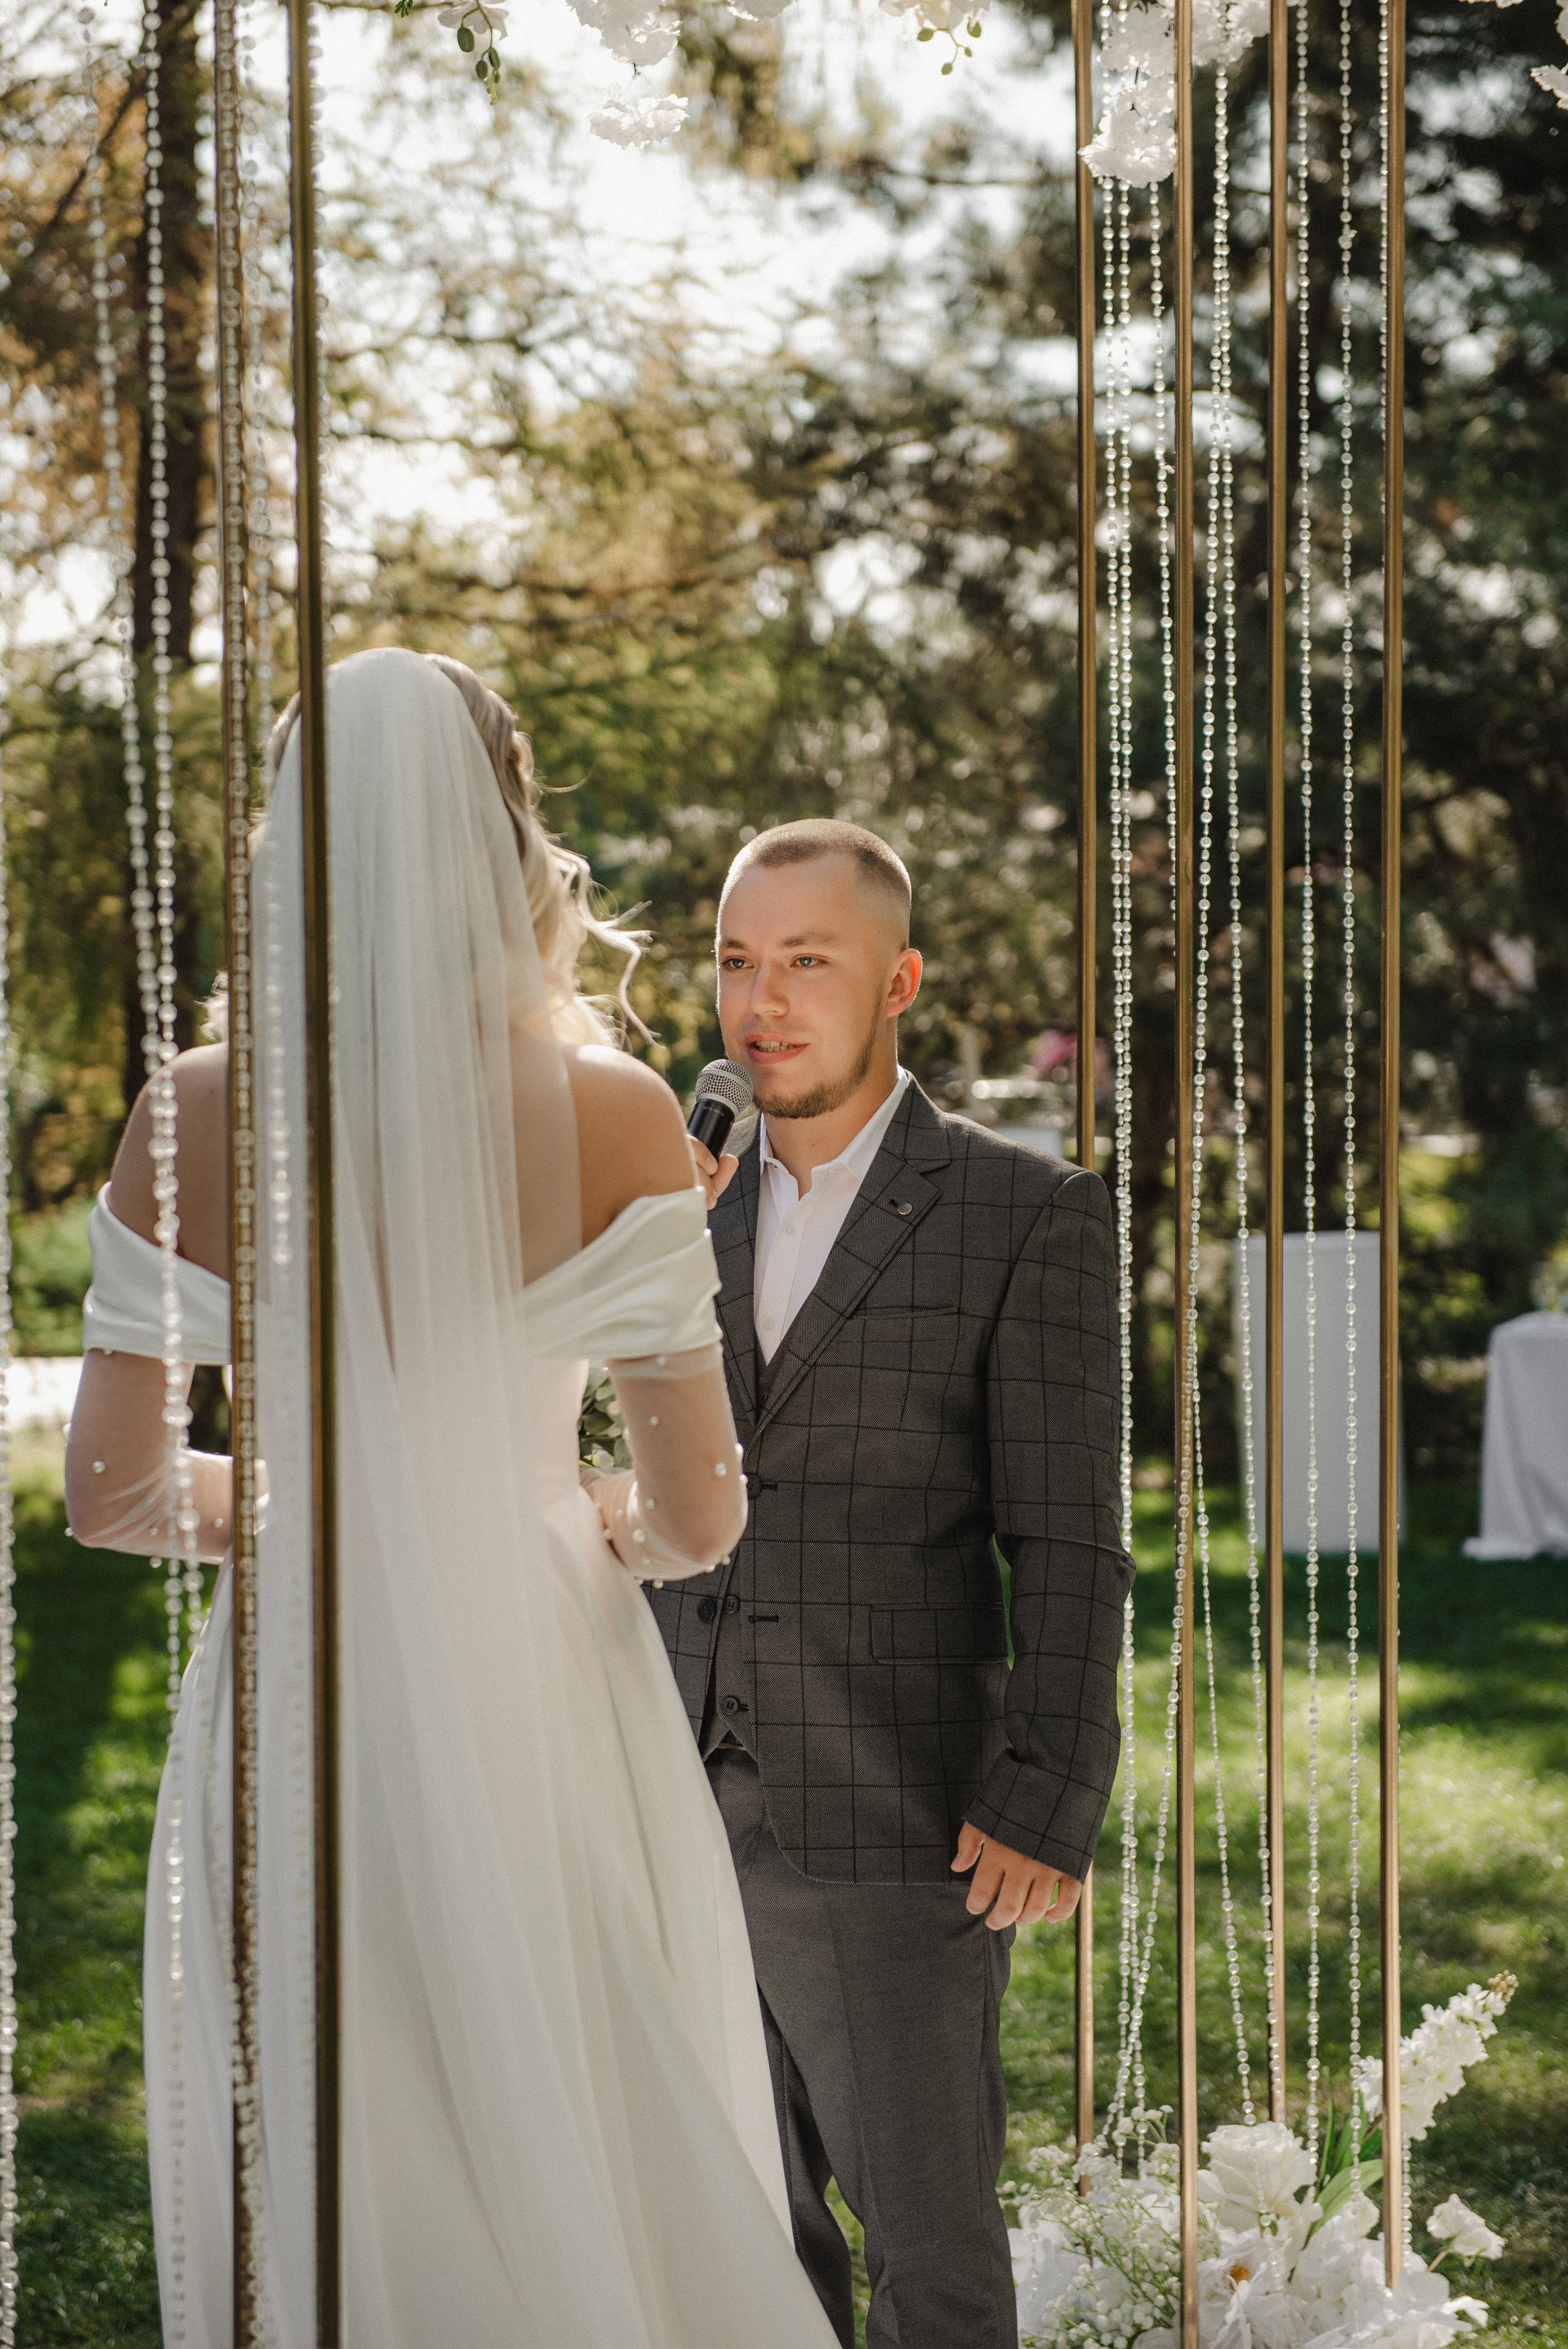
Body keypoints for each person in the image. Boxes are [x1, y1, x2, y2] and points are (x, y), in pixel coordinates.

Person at [65, 649, 840, 2349]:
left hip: (296, 1690)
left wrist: (331, 1509)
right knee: (574, 2096)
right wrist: (568, 1516)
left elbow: (115, 1491)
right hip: (535, 1672)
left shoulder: (191, 1111)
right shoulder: (617, 1112)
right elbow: (699, 1517)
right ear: (505, 838)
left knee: (321, 2112)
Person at [666, 818, 1134, 2349]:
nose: (762, 1001)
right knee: (739, 2237)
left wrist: (1050, 1785)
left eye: (808, 961)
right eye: (737, 960)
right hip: (660, 1785)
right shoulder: (667, 1195)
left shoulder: (1024, 1212)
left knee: (926, 2253)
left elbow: (1068, 1534)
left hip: (893, 1800)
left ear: (899, 982)